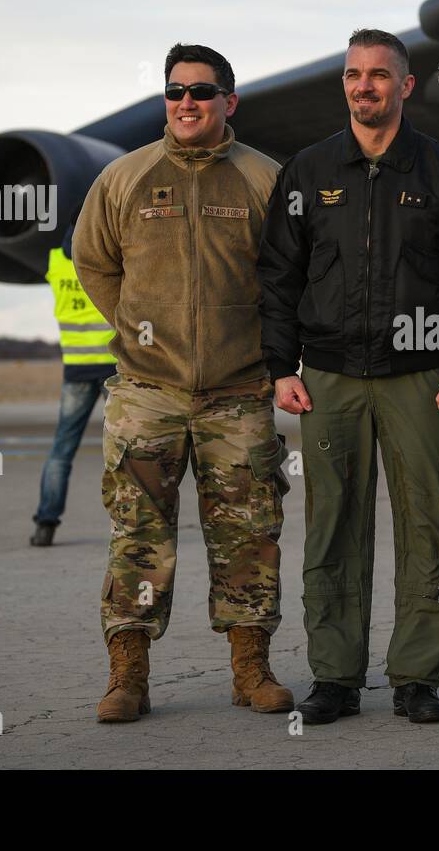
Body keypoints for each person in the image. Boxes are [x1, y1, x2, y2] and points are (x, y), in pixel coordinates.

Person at [258, 29, 439, 725]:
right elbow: (278, 275)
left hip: (422, 377)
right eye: (353, 75)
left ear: (405, 86)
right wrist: (281, 367)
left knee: (432, 529)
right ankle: (334, 676)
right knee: (331, 528)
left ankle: (418, 676)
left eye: (378, 75)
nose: (364, 86)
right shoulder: (307, 173)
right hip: (329, 376)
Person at [73, 43, 293, 723]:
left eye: (201, 91)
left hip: (239, 394)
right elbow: (93, 262)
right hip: (148, 395)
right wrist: (144, 331)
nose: (187, 102)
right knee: (139, 536)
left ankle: (251, 670)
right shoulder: (124, 178)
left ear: (230, 100)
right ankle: (128, 677)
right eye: (174, 91)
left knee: (249, 535)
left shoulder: (264, 179)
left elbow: (291, 274)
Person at [28, 223, 116, 548]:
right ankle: (131, 523)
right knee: (125, 450)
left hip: (75, 369)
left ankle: (45, 525)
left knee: (61, 451)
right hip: (113, 367)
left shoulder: (54, 261)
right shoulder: (107, 257)